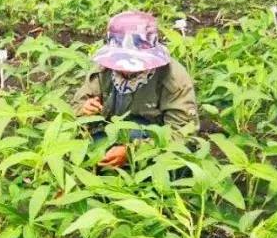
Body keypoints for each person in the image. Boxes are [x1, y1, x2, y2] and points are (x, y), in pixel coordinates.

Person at [73, 11, 198, 168]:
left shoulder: (173, 79)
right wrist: (84, 109)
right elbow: (75, 108)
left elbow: (184, 134)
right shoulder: (104, 70)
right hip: (111, 132)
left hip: (152, 141)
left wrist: (133, 151)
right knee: (85, 148)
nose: (125, 69)